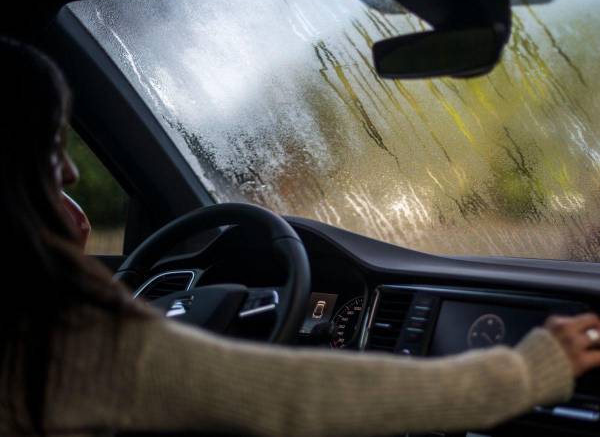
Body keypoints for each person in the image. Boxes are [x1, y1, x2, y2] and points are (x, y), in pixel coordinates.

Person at [1, 37, 600, 437]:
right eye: (52, 148)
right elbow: (301, 398)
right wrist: (528, 372)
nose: (73, 171)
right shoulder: (72, 349)